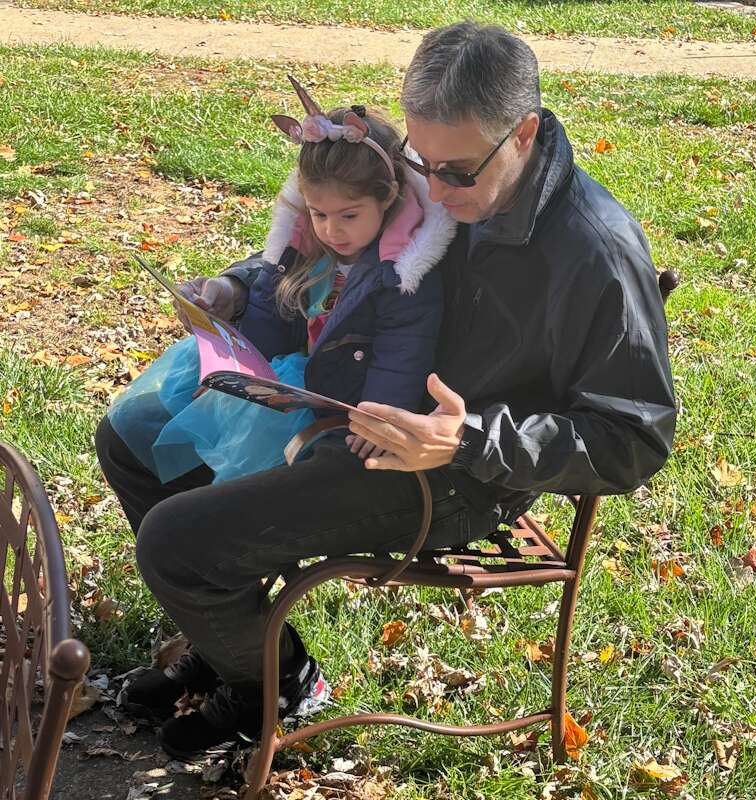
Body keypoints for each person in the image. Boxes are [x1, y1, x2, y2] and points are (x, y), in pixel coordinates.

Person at [95, 23, 675, 761]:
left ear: (523, 132)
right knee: (132, 442)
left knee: (175, 544)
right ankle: (233, 644)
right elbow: (333, 240)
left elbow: (636, 440)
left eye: (457, 173)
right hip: (353, 398)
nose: (433, 191)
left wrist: (465, 437)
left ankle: (269, 686)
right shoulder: (443, 165)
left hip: (456, 474)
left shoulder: (594, 249)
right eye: (422, 165)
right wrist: (238, 291)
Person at [104, 76, 454, 488]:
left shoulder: (402, 276)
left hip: (340, 419)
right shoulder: (302, 247)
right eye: (318, 213)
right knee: (127, 431)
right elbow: (267, 317)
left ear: (388, 195)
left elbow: (401, 356)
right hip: (282, 396)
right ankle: (176, 542)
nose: (331, 231)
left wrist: (378, 418)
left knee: (220, 495)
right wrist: (228, 380)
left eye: (349, 215)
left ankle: (202, 541)